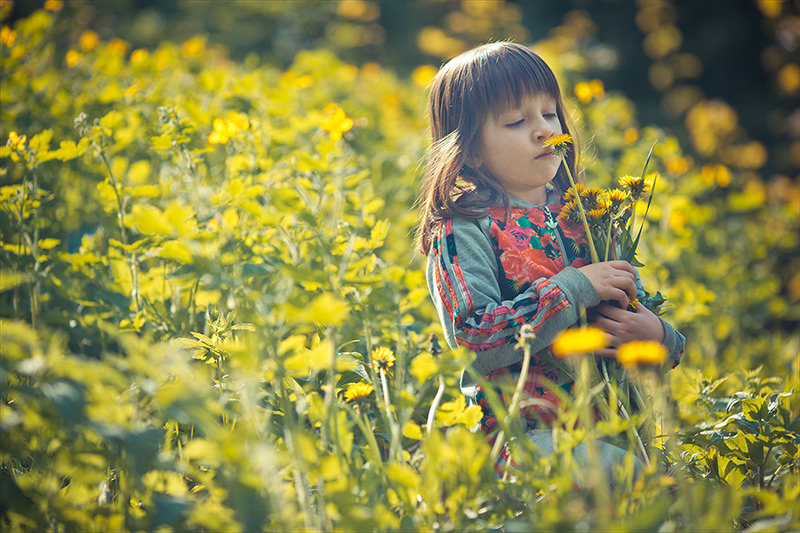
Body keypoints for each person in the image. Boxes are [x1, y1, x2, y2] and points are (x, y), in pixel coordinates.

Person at [416, 41, 685, 479]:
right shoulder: (464, 229)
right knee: (636, 483)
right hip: (521, 437)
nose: (543, 130)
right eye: (517, 121)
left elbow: (633, 303)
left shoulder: (586, 213)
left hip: (617, 428)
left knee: (665, 493)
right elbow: (472, 338)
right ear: (471, 150)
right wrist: (574, 288)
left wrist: (657, 334)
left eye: (549, 113)